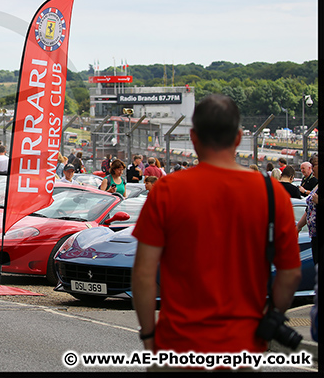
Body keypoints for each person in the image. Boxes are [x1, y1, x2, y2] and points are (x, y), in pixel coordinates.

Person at [131, 94, 301, 365]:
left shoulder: (167, 190)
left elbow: (142, 274)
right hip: (244, 345)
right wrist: (271, 316)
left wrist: (149, 334)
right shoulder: (273, 194)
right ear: (238, 138)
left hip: (179, 343)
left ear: (193, 138)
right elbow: (290, 273)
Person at [297, 153, 318, 265]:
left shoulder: (314, 182)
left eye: (314, 165)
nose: (312, 167)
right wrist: (299, 226)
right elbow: (309, 209)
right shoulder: (316, 185)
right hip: (314, 236)